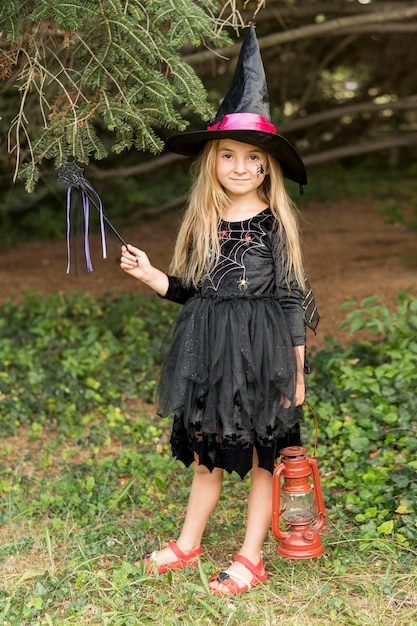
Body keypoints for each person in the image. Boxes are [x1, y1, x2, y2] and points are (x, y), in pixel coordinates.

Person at [120, 25, 318, 596]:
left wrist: (297, 367)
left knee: (262, 456)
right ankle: (188, 542)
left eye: (249, 158)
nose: (236, 166)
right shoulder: (205, 223)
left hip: (262, 352)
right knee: (207, 450)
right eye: (226, 155)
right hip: (207, 350)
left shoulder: (273, 225)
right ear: (212, 161)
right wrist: (155, 275)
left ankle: (251, 555)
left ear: (265, 168)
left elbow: (287, 297)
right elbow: (195, 290)